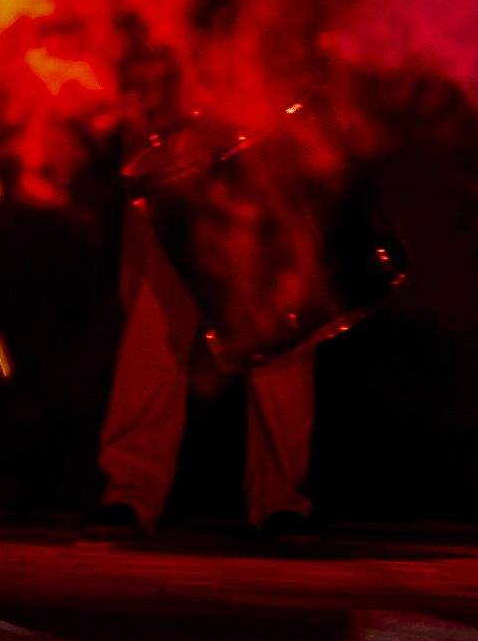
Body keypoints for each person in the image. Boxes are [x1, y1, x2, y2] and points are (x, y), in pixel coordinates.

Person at [93, 109, 328, 541]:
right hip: (168, 113)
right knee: (157, 312)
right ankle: (131, 490)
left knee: (276, 310)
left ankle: (281, 498)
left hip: (258, 107)